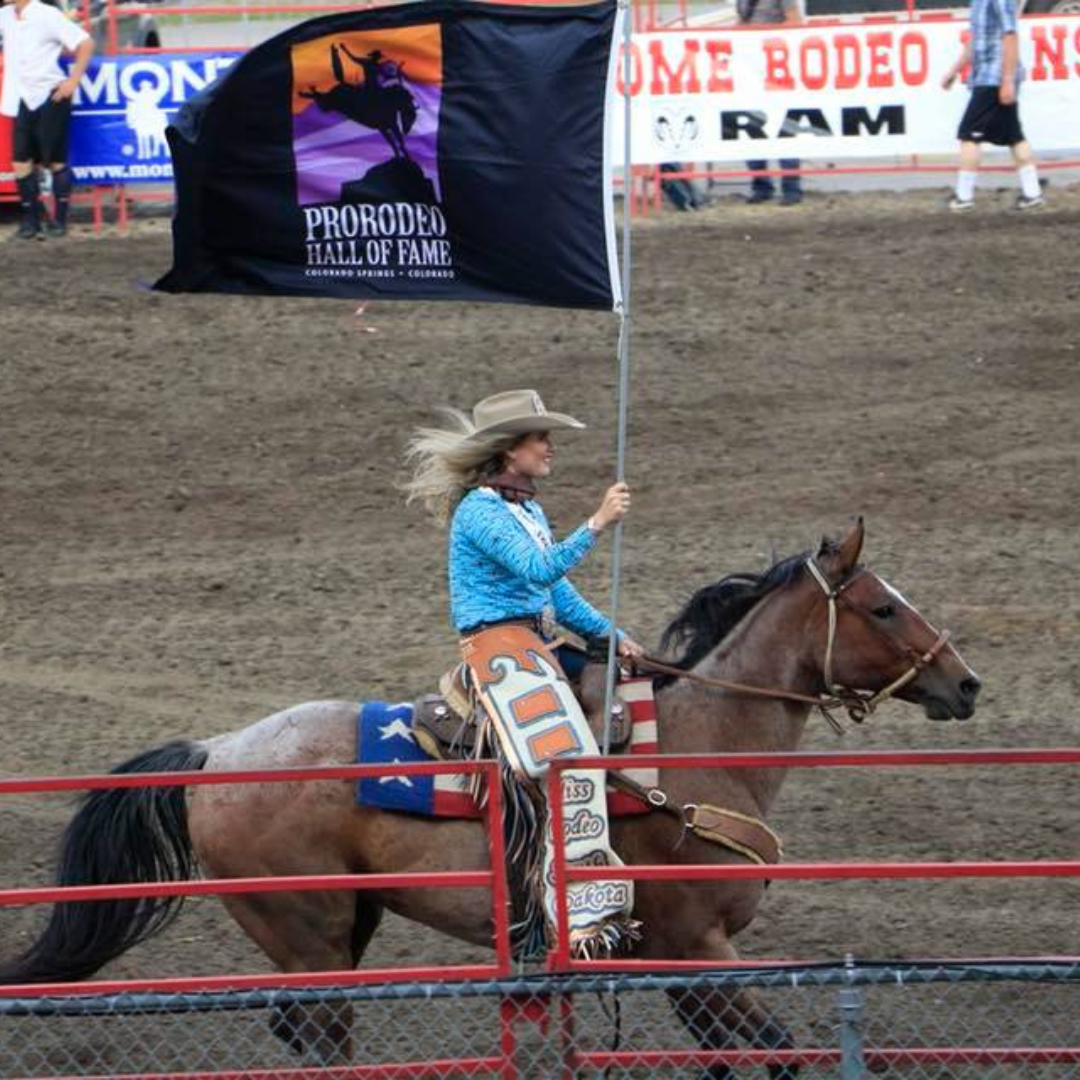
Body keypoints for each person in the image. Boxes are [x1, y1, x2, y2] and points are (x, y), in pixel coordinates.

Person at [404, 388, 644, 957]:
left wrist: (610, 634)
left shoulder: (525, 510)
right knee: (565, 757)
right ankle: (582, 913)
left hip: (534, 642)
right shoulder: (480, 511)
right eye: (541, 438)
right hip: (500, 649)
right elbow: (540, 568)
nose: (550, 448)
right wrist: (597, 522)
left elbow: (555, 592)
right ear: (511, 449)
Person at [1, 0, 93, 239]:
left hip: (50, 94)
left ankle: (59, 221)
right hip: (20, 96)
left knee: (55, 161)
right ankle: (30, 222)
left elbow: (85, 42)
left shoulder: (47, 15)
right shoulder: (6, 16)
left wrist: (72, 81)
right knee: (20, 161)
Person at [941, 0, 1043, 212]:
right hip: (991, 76)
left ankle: (963, 197)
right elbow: (976, 40)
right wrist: (955, 70)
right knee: (1014, 136)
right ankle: (1033, 194)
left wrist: (1006, 80)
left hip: (993, 78)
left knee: (969, 135)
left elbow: (1010, 35)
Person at [738, 0, 802, 206]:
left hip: (777, 70)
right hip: (751, 69)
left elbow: (795, 22)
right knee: (752, 125)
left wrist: (763, 37)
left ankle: (791, 187)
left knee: (783, 127)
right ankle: (761, 185)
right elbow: (742, 21)